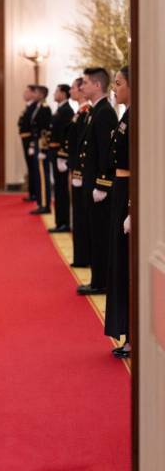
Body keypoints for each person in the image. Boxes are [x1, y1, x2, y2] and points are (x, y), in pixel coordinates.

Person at [75, 67, 117, 295]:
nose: (82, 87)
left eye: (86, 83)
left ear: (98, 85)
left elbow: (106, 153)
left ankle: (100, 282)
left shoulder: (104, 113)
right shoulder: (95, 111)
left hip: (99, 188)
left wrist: (102, 184)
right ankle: (97, 278)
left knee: (100, 235)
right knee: (95, 233)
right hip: (91, 185)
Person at [105, 66, 131, 358]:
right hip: (119, 188)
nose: (115, 88)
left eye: (120, 83)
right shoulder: (125, 116)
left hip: (128, 192)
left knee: (128, 266)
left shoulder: (136, 117)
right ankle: (125, 331)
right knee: (120, 262)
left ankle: (133, 335)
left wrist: (133, 208)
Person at [48, 84, 75, 232]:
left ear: (63, 94)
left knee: (61, 189)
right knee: (58, 189)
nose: (54, 93)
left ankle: (63, 222)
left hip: (60, 154)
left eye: (57, 91)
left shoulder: (66, 111)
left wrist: (62, 155)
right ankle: (60, 222)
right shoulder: (60, 110)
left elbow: (65, 136)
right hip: (54, 152)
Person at [29, 85, 52, 214]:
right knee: (39, 175)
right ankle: (40, 202)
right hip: (37, 143)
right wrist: (33, 145)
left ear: (42, 95)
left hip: (42, 144)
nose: (34, 95)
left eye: (36, 93)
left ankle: (45, 204)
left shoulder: (45, 108)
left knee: (43, 176)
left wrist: (43, 150)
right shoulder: (38, 107)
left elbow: (45, 130)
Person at [18, 85, 38, 202]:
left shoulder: (34, 107)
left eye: (27, 91)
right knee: (30, 167)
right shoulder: (29, 107)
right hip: (25, 138)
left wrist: (31, 144)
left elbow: (34, 127)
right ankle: (32, 192)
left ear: (32, 93)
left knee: (33, 167)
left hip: (30, 140)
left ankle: (34, 193)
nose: (24, 94)